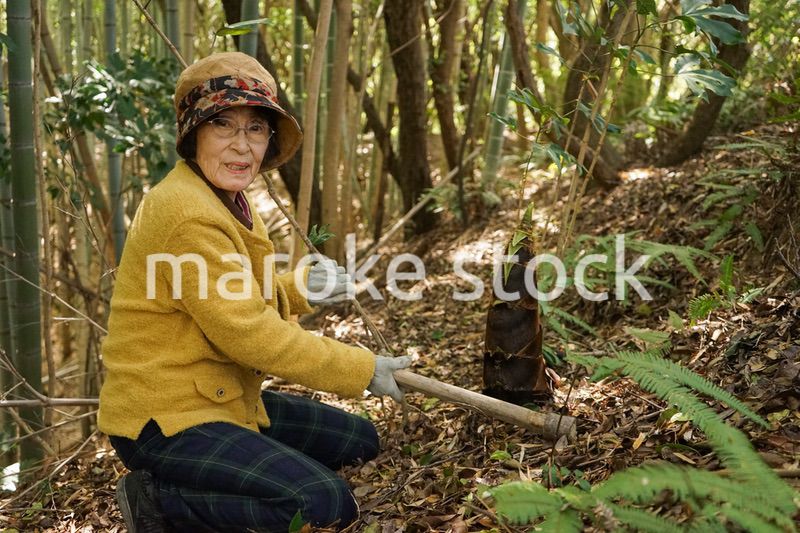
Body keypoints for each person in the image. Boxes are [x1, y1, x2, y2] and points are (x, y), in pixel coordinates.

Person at [98, 52, 411, 533]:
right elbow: (249, 333)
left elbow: (235, 296)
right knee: (323, 504)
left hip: (223, 400)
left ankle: (243, 474)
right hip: (165, 419)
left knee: (358, 439)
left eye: (256, 128)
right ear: (193, 133)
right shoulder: (186, 212)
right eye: (223, 125)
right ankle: (158, 502)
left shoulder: (231, 198)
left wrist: (298, 288)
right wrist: (359, 367)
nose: (241, 146)